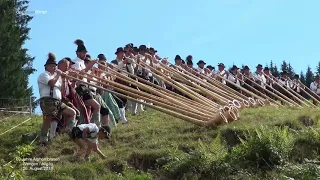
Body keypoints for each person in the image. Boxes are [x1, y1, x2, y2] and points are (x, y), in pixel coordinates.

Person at [37, 53, 76, 145]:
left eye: (55, 66)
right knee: (48, 119)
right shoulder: (43, 75)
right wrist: (58, 75)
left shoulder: (56, 77)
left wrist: (63, 79)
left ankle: (67, 133)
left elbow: (62, 91)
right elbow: (51, 83)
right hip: (48, 101)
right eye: (52, 66)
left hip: (57, 101)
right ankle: (43, 140)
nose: (54, 68)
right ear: (46, 67)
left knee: (72, 113)